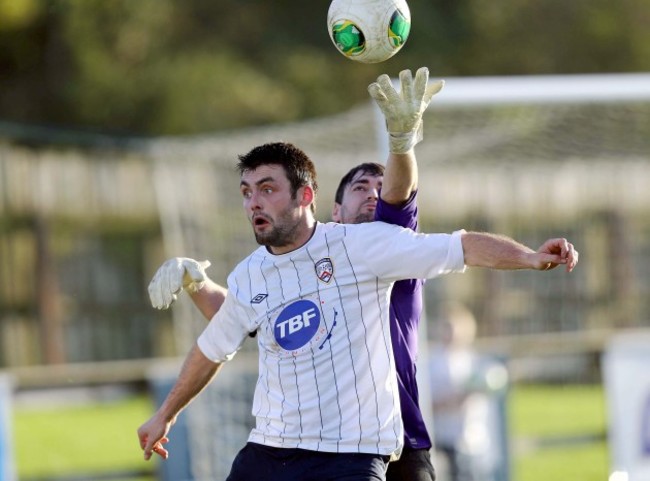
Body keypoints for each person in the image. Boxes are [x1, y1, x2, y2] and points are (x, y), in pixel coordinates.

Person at [143, 69, 579, 480]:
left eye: (268, 189)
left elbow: (452, 238)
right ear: (336, 205)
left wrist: (527, 257)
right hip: (269, 451)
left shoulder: (371, 245)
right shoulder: (250, 274)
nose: (253, 202)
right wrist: (165, 411)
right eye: (246, 192)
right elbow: (227, 335)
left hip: (358, 451)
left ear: (305, 196)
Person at [429, 302, 508, 481]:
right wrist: (451, 401)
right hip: (444, 439)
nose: (451, 333)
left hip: (472, 441)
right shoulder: (433, 363)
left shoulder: (474, 361)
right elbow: (426, 403)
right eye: (447, 327)